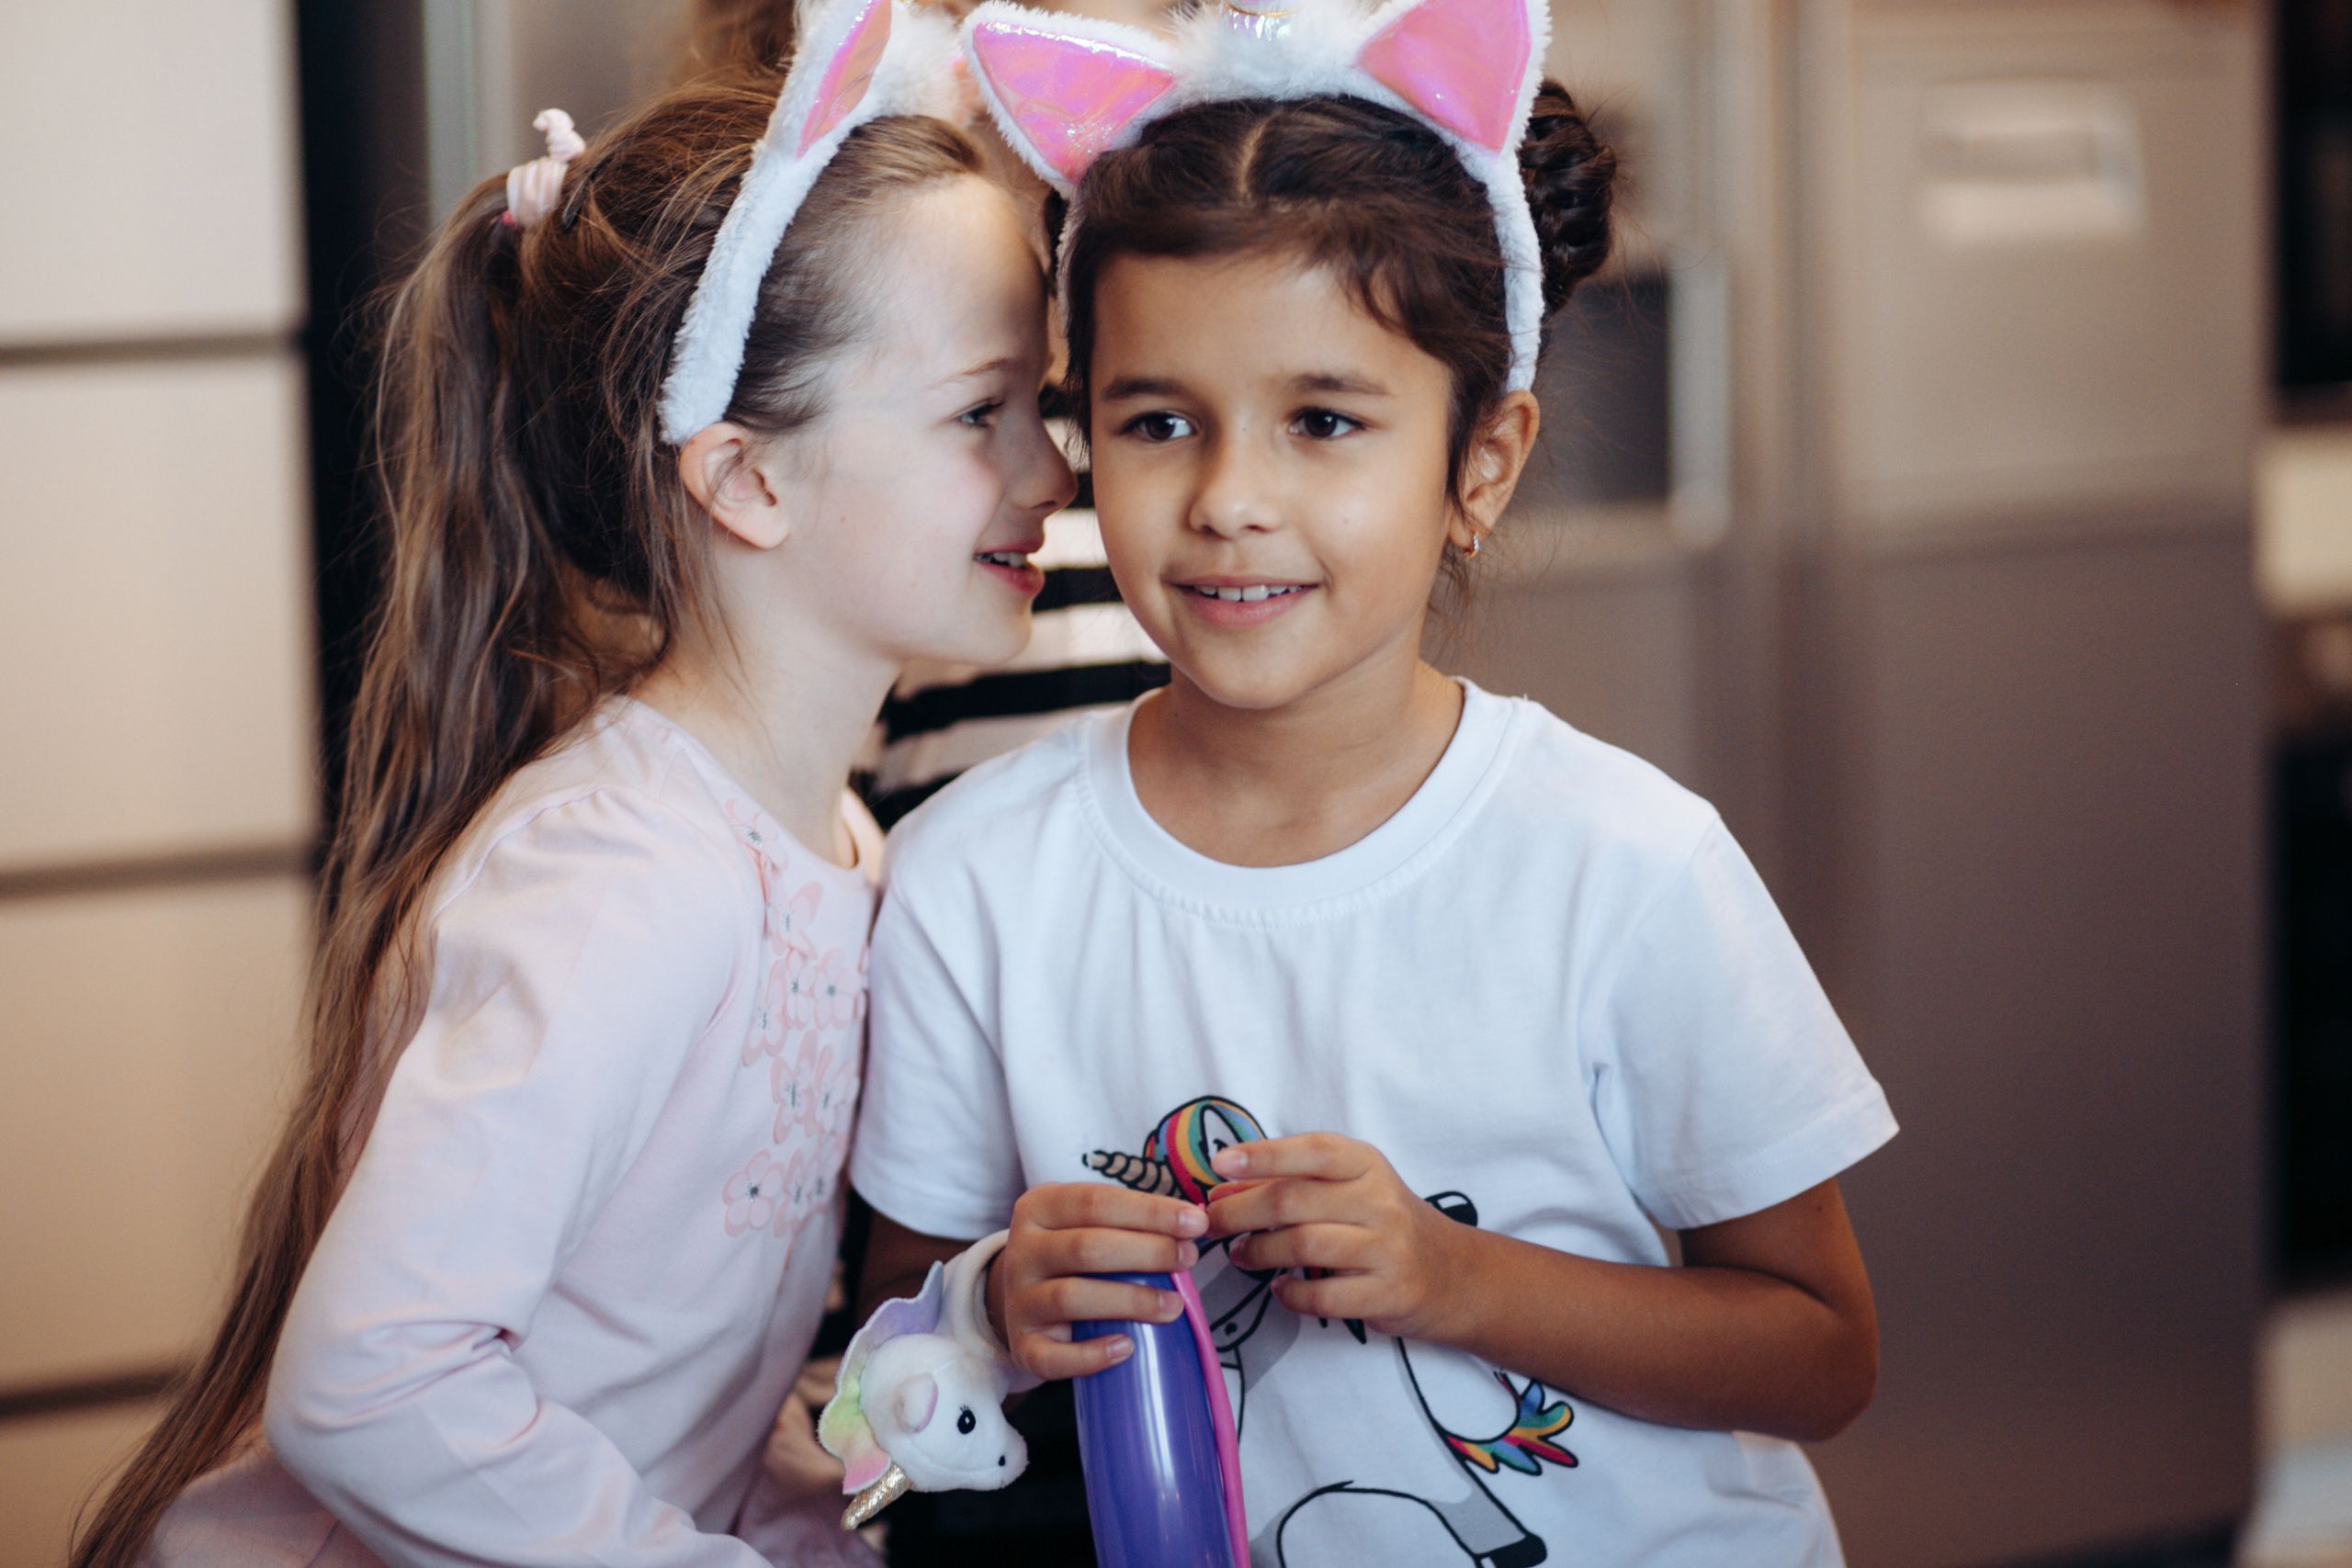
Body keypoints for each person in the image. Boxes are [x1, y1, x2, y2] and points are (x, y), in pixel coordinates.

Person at [846, 1, 1899, 1563]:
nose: (1228, 502)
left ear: (1482, 462)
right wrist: (993, 1307)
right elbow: (881, 1374)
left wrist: (1456, 1277)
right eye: (1157, 422)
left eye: (1324, 421)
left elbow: (1821, 1354)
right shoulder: (972, 880)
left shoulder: (1624, 864)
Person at [67, 1, 1073, 1562]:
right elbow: (375, 1384)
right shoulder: (621, 876)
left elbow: (666, 1389)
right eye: (980, 413)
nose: (1054, 470)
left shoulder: (829, 835)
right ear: (747, 476)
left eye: (1042, 406)